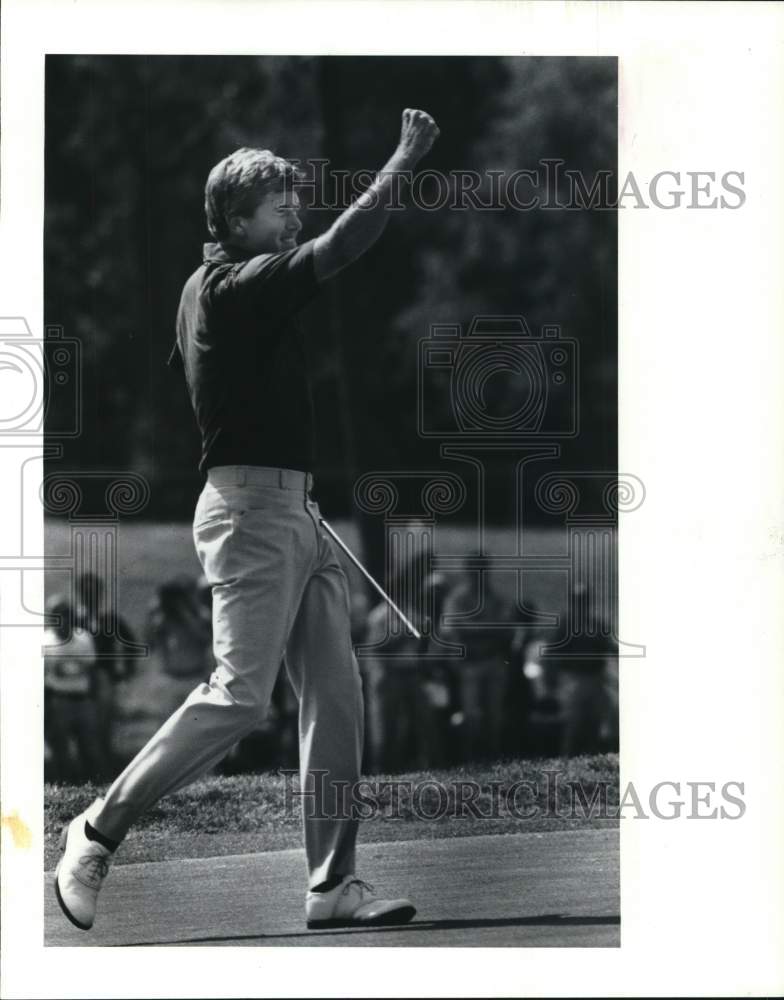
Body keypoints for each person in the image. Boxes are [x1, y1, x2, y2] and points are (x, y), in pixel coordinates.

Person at [55, 108, 439, 932]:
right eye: (278, 207)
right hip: (252, 513)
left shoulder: (224, 286)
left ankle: (332, 884)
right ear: (233, 221)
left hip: (295, 509)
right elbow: (341, 250)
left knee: (336, 697)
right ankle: (96, 830)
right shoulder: (232, 287)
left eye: (296, 204)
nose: (294, 216)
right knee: (239, 698)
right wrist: (402, 157)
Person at [43, 595, 104, 783]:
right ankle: (67, 787)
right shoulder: (44, 640)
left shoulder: (83, 638)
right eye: (57, 614)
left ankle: (94, 786)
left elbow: (91, 669)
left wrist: (96, 699)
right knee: (61, 750)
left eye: (66, 613)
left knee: (90, 748)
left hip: (83, 699)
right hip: (59, 700)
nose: (63, 618)